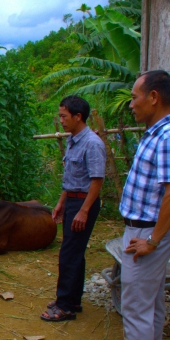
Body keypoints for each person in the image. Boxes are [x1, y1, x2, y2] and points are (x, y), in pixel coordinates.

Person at [100, 70, 170, 340]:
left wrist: (151, 239)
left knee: (136, 306)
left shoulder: (167, 138)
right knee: (151, 302)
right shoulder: (158, 133)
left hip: (148, 233)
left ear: (153, 97)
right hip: (145, 229)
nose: (131, 104)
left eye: (135, 97)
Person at [41, 96, 106, 322]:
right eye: (60, 116)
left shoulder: (92, 143)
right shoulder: (73, 140)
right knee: (75, 252)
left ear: (78, 117)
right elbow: (72, 178)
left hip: (84, 203)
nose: (61, 121)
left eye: (64, 116)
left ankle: (65, 306)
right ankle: (74, 299)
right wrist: (61, 202)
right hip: (72, 200)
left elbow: (96, 181)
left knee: (69, 254)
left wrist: (84, 210)